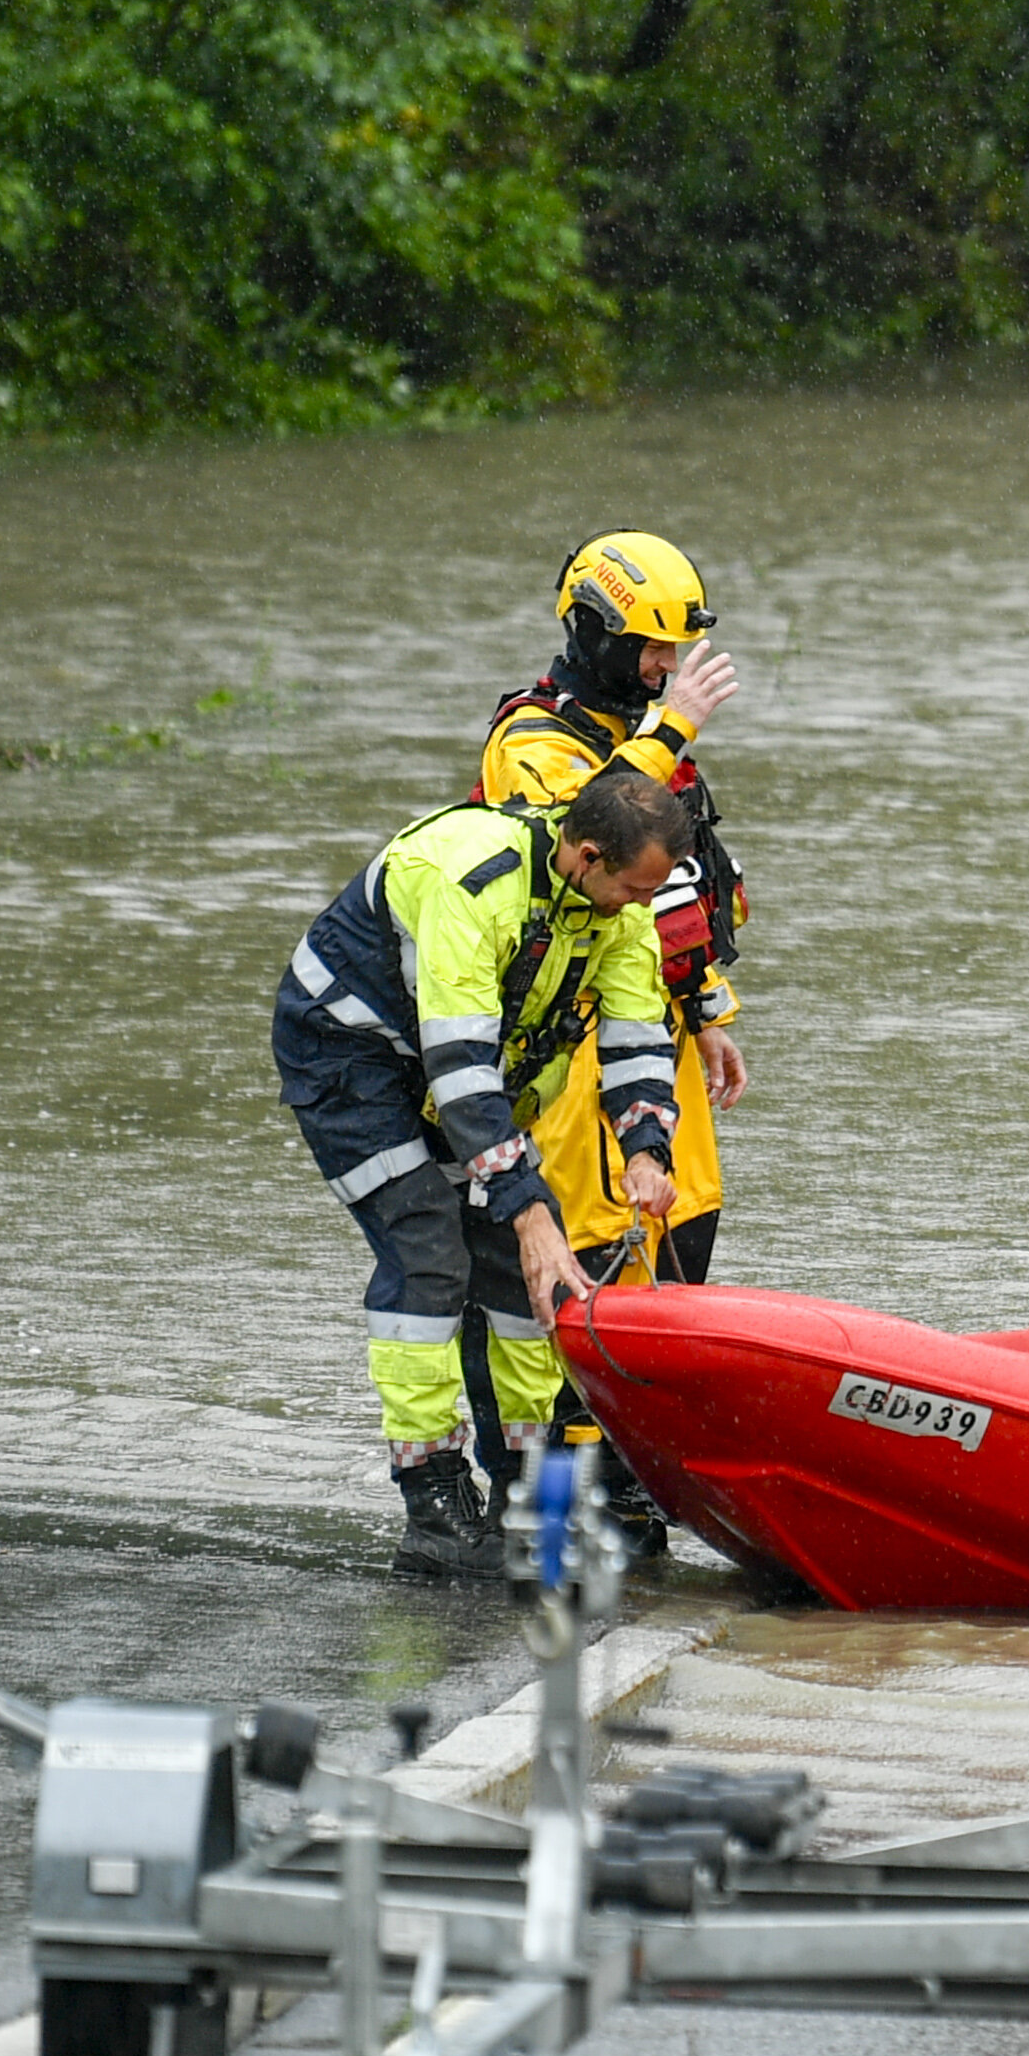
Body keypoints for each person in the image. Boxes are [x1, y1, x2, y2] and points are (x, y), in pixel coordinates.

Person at [272, 768, 690, 1569]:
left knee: (520, 1268)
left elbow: (635, 1039)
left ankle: (522, 1487)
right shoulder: (473, 882)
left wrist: (644, 1149)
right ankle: (431, 1496)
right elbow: (457, 1063)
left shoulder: (619, 907)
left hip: (470, 1072)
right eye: (635, 890)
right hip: (351, 1059)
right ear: (588, 855)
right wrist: (527, 1207)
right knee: (430, 1250)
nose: (644, 907)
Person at [480, 531, 751, 1288]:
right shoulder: (532, 739)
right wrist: (673, 731)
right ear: (595, 631)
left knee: (683, 1233)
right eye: (651, 648)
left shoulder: (636, 734)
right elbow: (592, 834)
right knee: (601, 1246)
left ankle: (651, 1407)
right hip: (577, 1035)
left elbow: (668, 889)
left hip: (657, 1029)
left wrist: (705, 1011)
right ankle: (561, 1410)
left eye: (673, 649)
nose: (666, 667)